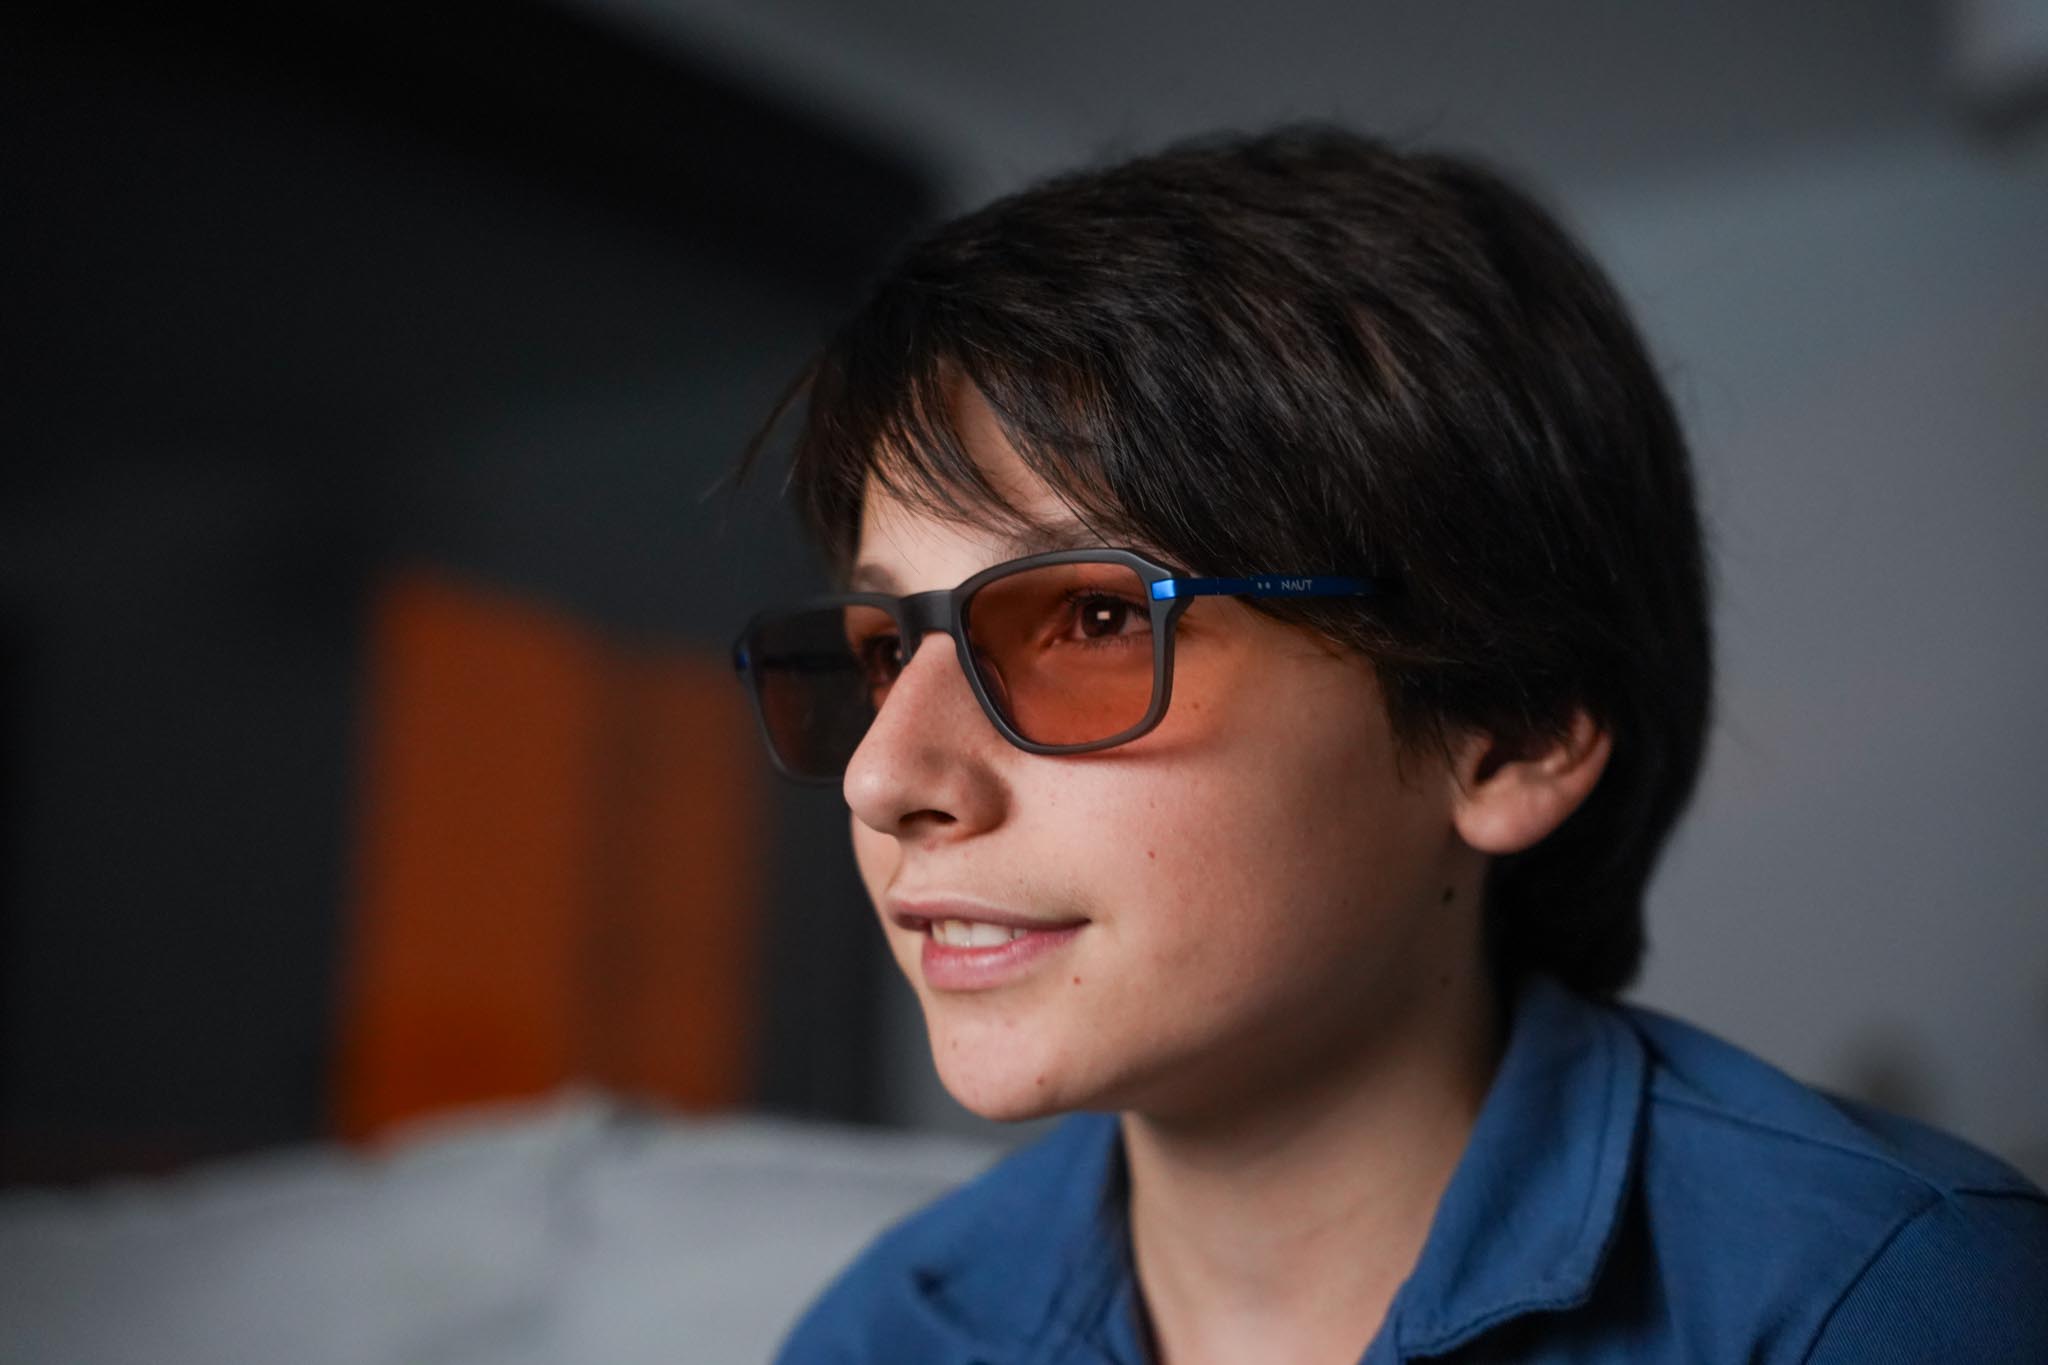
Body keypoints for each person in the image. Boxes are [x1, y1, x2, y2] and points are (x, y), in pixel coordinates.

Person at [730, 126, 2048, 1364]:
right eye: (885, 649)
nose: (885, 775)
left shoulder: (1883, 1303)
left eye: (1093, 617)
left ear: (1511, 730)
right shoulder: (883, 1335)